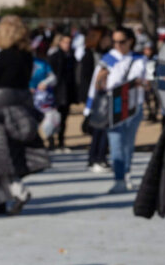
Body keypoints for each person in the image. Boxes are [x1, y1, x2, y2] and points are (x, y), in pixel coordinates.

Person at [0, 16, 39, 214]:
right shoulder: (27, 56)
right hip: (21, 109)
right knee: (8, 155)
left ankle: (14, 192)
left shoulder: (3, 56)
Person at [88, 26, 147, 194]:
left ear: (130, 41)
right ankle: (119, 178)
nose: (118, 45)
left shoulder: (140, 58)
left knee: (128, 144)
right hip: (114, 105)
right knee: (115, 144)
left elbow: (146, 81)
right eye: (114, 42)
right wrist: (89, 108)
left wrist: (140, 82)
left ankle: (126, 174)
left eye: (122, 42)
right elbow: (96, 85)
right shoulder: (107, 59)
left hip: (134, 106)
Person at [78, 25, 111, 173]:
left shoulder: (107, 54)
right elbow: (84, 78)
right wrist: (88, 101)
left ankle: (101, 156)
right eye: (106, 37)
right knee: (98, 128)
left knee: (105, 128)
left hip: (106, 96)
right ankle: (95, 158)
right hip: (95, 97)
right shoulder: (89, 55)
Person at [46, 32, 78, 150]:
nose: (67, 45)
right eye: (65, 42)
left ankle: (61, 140)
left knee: (64, 118)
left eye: (69, 42)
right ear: (60, 43)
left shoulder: (72, 57)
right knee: (52, 117)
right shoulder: (54, 57)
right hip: (55, 91)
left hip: (67, 91)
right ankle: (50, 140)